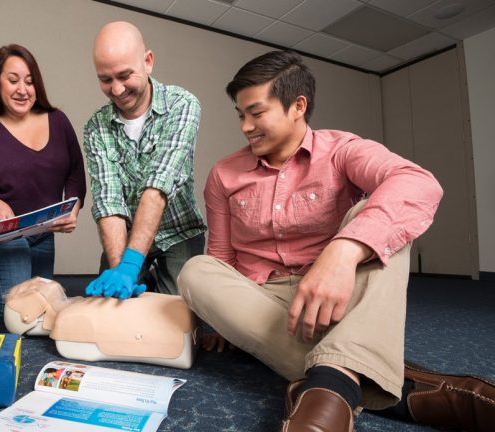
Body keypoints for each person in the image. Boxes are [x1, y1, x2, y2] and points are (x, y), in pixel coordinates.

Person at [177, 50, 494, 431]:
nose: (246, 126)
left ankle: (338, 381)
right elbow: (221, 256)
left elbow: (418, 183)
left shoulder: (342, 149)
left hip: (335, 295)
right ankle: (362, 380)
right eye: (240, 115)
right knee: (196, 270)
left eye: (256, 113)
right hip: (259, 298)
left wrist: (344, 251)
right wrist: (222, 320)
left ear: (298, 106)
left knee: (376, 215)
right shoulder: (223, 174)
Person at [0, 44, 86, 323]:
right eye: (13, 80)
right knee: (14, 314)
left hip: (43, 231)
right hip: (3, 234)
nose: (23, 90)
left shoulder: (58, 121)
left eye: (30, 81)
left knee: (40, 310)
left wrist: (72, 209)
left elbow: (75, 173)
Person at [83, 21, 207, 300]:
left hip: (179, 232)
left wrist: (131, 267)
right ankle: (141, 280)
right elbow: (108, 201)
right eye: (105, 79)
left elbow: (157, 186)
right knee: (114, 304)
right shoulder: (96, 127)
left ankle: (152, 281)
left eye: (124, 76)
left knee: (175, 311)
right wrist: (121, 269)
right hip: (127, 236)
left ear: (148, 61)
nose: (117, 90)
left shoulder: (182, 104)